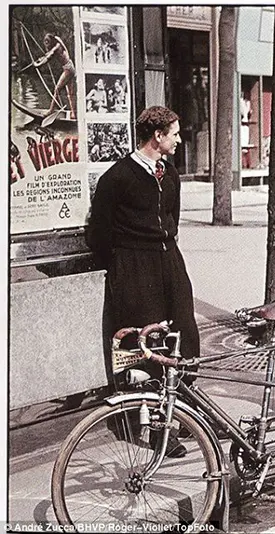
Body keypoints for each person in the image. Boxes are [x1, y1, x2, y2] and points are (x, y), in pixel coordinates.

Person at [86, 106, 198, 457]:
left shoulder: (170, 173)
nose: (180, 139)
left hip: (169, 263)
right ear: (158, 136)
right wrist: (121, 266)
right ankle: (145, 427)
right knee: (142, 347)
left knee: (184, 338)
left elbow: (172, 219)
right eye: (175, 133)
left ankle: (179, 415)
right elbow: (99, 233)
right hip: (134, 266)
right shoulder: (118, 178)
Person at [37, 33, 76, 118]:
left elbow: (48, 58)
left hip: (68, 69)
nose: (46, 43)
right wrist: (40, 60)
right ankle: (73, 114)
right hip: (71, 67)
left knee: (57, 89)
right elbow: (47, 55)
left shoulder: (56, 48)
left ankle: (51, 111)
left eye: (48, 41)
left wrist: (37, 65)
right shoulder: (58, 44)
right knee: (70, 93)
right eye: (45, 41)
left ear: (52, 41)